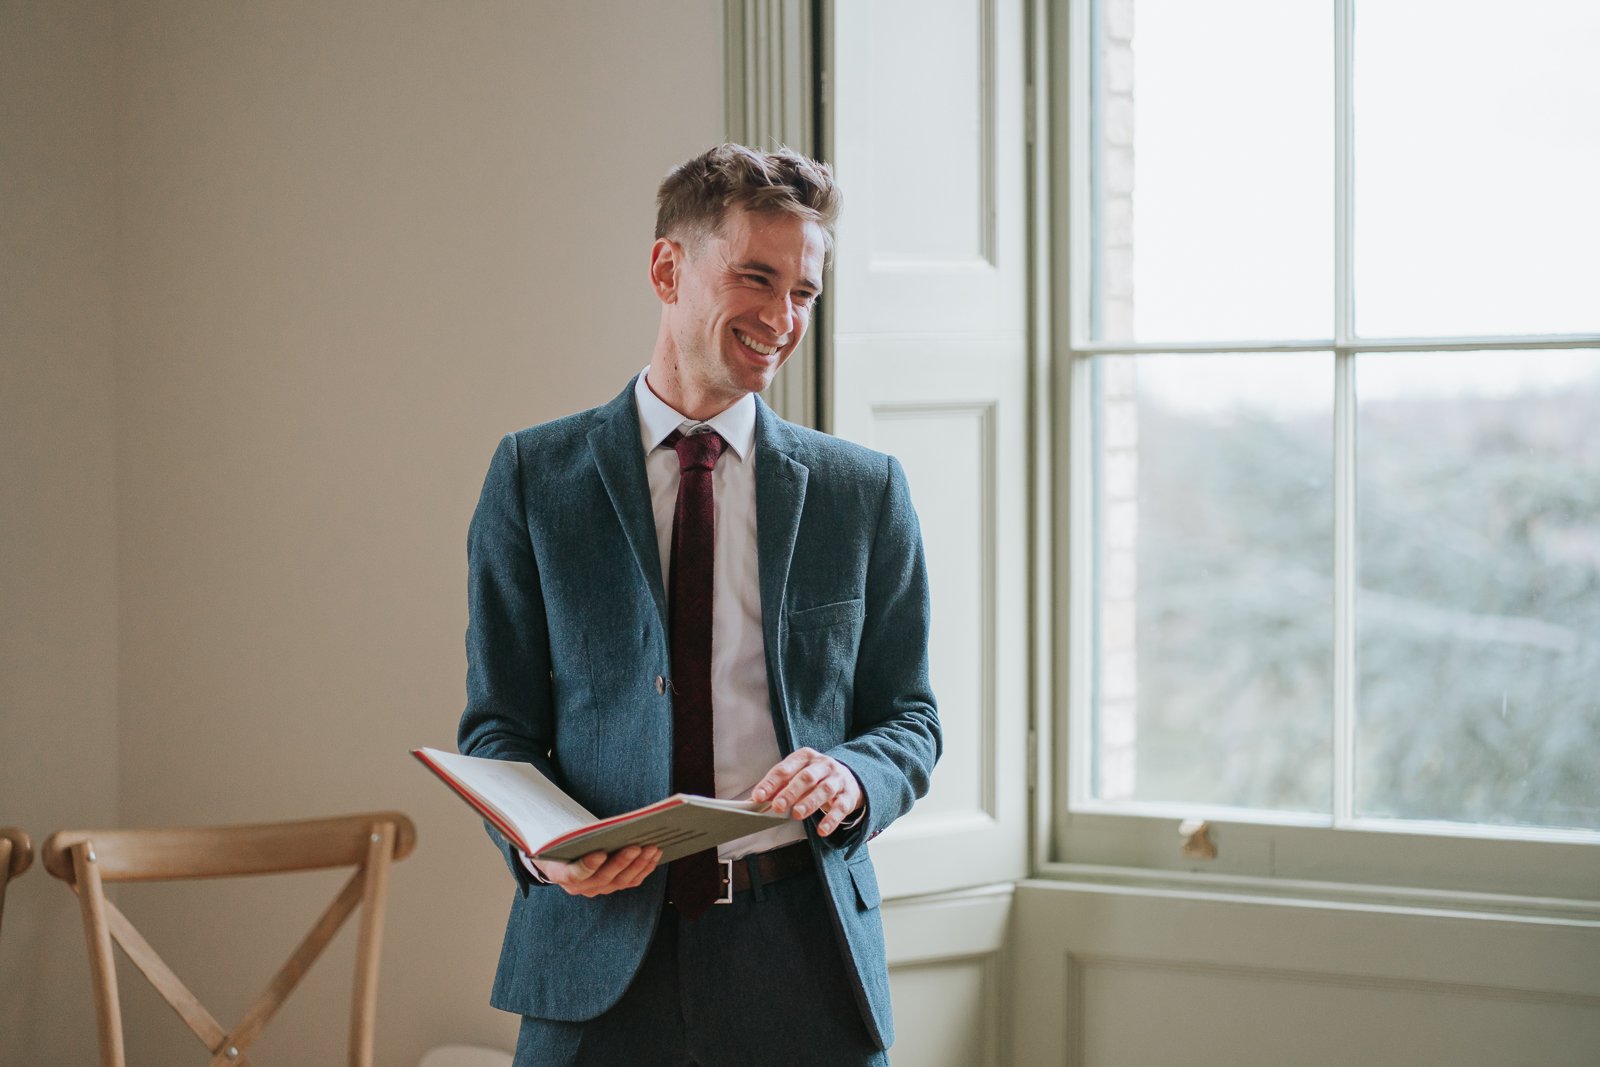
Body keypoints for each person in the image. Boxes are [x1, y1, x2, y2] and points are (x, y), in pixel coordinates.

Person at [458, 143, 940, 1066]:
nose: (781, 317)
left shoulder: (863, 492)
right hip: (593, 960)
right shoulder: (532, 478)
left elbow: (909, 719)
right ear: (667, 267)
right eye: (756, 277)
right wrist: (541, 845)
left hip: (804, 956)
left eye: (803, 292)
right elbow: (498, 730)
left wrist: (854, 778)